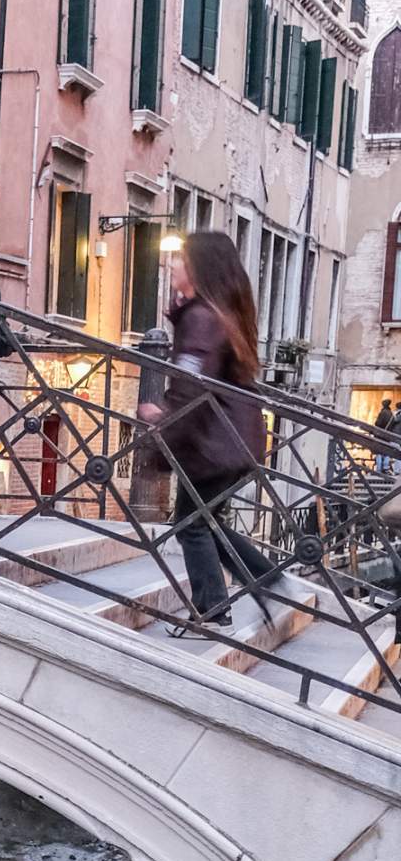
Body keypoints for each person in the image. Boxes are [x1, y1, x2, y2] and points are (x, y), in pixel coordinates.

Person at [139, 231, 299, 635]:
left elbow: (191, 385)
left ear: (198, 269)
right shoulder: (217, 313)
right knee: (203, 521)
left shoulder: (203, 318)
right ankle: (257, 585)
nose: (172, 265)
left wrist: (161, 424)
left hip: (212, 441)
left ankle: (220, 605)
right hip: (231, 438)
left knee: (191, 524)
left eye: (181, 259)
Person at [375, 397, 395, 475]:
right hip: (388, 436)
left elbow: (378, 423)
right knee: (387, 452)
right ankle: (386, 468)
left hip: (381, 435)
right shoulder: (391, 413)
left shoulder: (382, 413)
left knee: (379, 452)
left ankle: (379, 470)